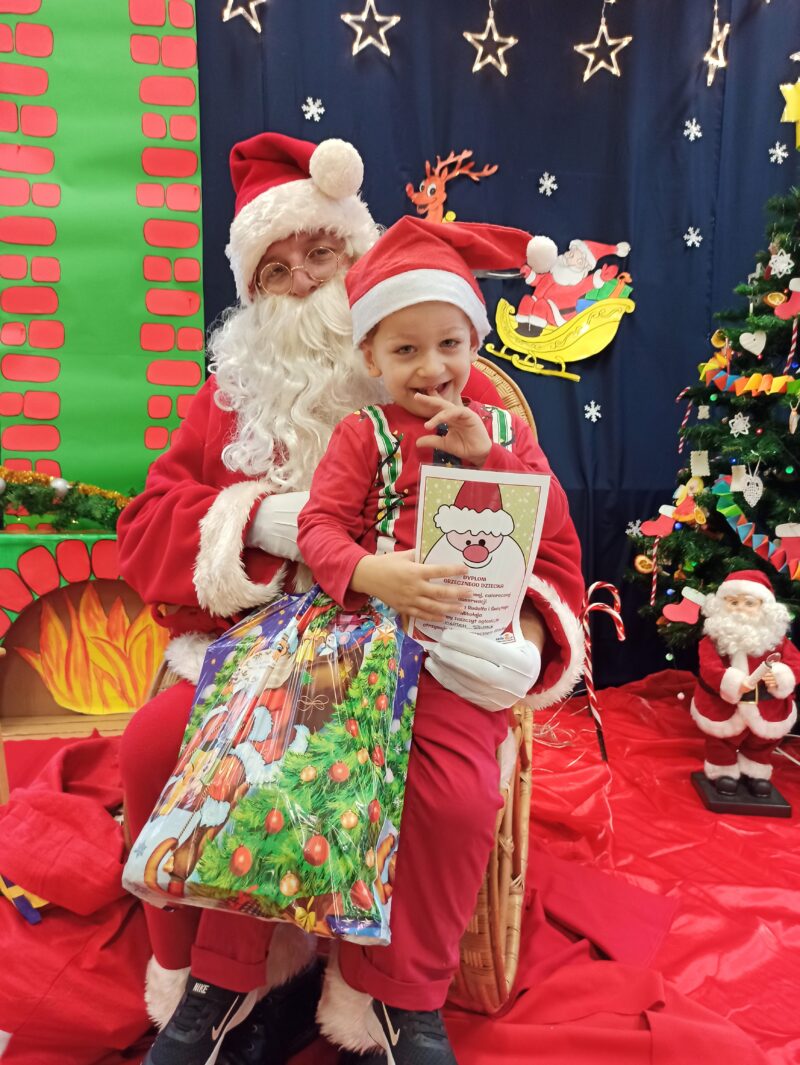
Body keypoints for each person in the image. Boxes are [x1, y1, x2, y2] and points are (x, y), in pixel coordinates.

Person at [116, 131, 581, 1065]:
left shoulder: (464, 393)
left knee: (442, 787)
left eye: (320, 253)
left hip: (426, 651)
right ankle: (221, 985)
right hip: (265, 644)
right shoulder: (231, 397)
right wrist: (258, 521)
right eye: (274, 268)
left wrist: (524, 635)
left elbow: (544, 537)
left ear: (358, 259)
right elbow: (147, 526)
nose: (299, 282)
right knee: (159, 745)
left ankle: (380, 995)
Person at [295, 215, 585, 1062]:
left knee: (458, 801)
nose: (431, 368)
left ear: (475, 344)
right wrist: (367, 570)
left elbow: (550, 531)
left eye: (449, 344)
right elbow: (318, 527)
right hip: (359, 641)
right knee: (308, 771)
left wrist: (491, 459)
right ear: (371, 357)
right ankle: (270, 968)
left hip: (461, 656)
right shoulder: (362, 434)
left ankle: (405, 995)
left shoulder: (506, 433)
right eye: (406, 350)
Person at [690, 569, 800, 797]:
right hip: (723, 705)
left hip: (767, 706)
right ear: (722, 605)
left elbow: (795, 663)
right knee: (721, 741)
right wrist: (730, 682)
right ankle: (723, 772)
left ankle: (755, 771)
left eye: (749, 603)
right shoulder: (713, 640)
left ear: (764, 608)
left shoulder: (777, 640)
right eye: (733, 602)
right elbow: (709, 667)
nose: (740, 608)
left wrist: (781, 675)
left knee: (761, 742)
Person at [516, 235, 630, 334]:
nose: (567, 255)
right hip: (542, 307)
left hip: (561, 316)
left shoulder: (579, 283)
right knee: (527, 300)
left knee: (541, 305)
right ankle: (522, 326)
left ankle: (534, 332)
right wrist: (529, 274)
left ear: (581, 264)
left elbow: (591, 282)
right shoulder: (553, 274)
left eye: (572, 255)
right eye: (570, 252)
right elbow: (537, 280)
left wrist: (602, 277)